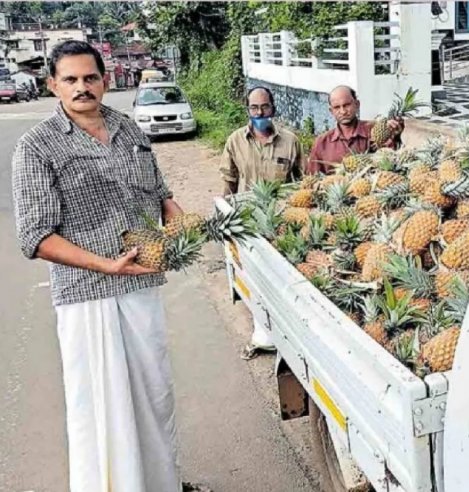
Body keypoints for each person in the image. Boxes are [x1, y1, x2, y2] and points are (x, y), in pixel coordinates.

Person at [11, 40, 208, 492]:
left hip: (143, 285)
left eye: (90, 77)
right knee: (102, 407)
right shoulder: (36, 147)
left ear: (105, 79)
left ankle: (162, 484)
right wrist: (105, 265)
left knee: (154, 397)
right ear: (53, 85)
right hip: (86, 296)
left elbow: (160, 194)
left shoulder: (130, 129)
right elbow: (35, 237)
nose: (82, 88)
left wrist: (184, 224)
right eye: (71, 80)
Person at [219, 86, 304, 356]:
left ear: (273, 108)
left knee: (284, 280)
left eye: (264, 107)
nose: (259, 113)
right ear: (247, 109)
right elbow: (229, 183)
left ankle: (289, 335)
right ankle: (262, 334)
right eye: (254, 108)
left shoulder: (291, 141)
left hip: (282, 222)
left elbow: (302, 185)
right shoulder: (235, 141)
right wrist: (224, 216)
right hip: (249, 222)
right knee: (255, 280)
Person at [306, 85, 404, 174]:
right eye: (337, 107)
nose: (343, 111)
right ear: (331, 111)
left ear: (357, 104)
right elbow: (313, 179)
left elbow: (392, 160)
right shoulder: (322, 143)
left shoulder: (374, 129)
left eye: (347, 105)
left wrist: (395, 136)